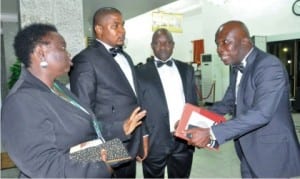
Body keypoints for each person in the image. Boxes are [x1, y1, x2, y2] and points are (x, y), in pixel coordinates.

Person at [0, 23, 143, 178]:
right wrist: (103, 167)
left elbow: (84, 129)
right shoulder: (21, 101)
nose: (68, 53)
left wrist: (120, 129)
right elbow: (44, 165)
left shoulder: (57, 87)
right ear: (41, 53)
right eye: (62, 48)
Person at [186, 20, 300, 178]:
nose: (220, 50)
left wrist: (212, 132)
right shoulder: (236, 67)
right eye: (217, 44)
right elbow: (226, 103)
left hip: (271, 154)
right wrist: (191, 122)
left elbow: (261, 114)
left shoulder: (268, 66)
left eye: (226, 42)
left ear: (246, 41)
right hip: (247, 149)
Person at [69, 7, 147, 178]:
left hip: (131, 141)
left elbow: (136, 100)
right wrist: (95, 153)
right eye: (115, 26)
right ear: (99, 29)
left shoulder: (126, 57)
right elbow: (83, 113)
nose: (122, 30)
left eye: (123, 25)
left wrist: (142, 139)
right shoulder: (85, 60)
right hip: (107, 145)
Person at [136, 28, 197, 178]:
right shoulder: (139, 72)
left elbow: (193, 103)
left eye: (167, 43)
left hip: (183, 139)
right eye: (158, 43)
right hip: (154, 140)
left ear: (173, 45)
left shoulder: (187, 69)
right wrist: (141, 140)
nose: (162, 47)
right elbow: (137, 107)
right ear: (152, 46)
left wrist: (195, 130)